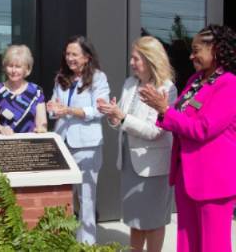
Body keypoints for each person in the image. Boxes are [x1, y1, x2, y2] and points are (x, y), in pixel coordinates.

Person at [139, 24, 236, 252]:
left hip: (213, 181)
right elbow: (178, 116)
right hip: (187, 176)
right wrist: (164, 110)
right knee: (187, 243)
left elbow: (203, 129)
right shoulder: (195, 81)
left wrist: (166, 110)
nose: (191, 55)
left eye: (196, 50)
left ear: (216, 50)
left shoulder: (229, 84)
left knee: (213, 245)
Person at [96, 36, 177, 252]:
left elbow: (155, 131)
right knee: (134, 219)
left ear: (151, 60)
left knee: (153, 220)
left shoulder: (166, 89)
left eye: (136, 59)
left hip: (153, 166)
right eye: (132, 58)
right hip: (130, 162)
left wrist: (121, 117)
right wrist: (112, 115)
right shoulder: (130, 83)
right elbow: (121, 120)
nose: (131, 63)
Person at [46, 35, 110, 244]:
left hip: (87, 146)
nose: (69, 58)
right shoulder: (60, 78)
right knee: (63, 197)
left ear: (86, 57)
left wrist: (70, 110)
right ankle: (65, 242)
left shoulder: (98, 78)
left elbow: (100, 110)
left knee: (86, 198)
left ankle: (87, 245)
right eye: (67, 54)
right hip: (62, 143)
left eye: (74, 54)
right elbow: (56, 111)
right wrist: (52, 109)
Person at [0, 45, 47, 134]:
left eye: (18, 66)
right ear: (5, 67)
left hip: (30, 144)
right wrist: (2, 129)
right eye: (10, 66)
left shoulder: (36, 91)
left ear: (27, 69)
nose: (13, 70)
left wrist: (41, 129)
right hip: (5, 143)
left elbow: (42, 123)